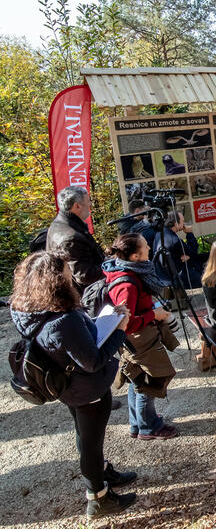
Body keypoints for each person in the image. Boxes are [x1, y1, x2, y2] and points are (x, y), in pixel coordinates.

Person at [10, 251, 137, 517]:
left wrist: (103, 319)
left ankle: (102, 474)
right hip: (85, 387)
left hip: (65, 383)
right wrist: (120, 328)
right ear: (55, 280)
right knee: (91, 442)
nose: (72, 276)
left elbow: (68, 340)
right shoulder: (63, 321)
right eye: (67, 273)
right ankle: (98, 497)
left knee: (84, 433)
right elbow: (93, 361)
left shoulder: (27, 308)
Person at [103, 234, 180, 441]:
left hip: (139, 338)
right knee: (147, 380)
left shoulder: (132, 272)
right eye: (146, 246)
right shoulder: (127, 284)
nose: (150, 248)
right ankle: (149, 427)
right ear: (136, 256)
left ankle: (138, 422)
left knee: (136, 378)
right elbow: (125, 323)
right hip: (139, 339)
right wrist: (153, 315)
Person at [46, 186, 106, 294]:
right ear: (77, 206)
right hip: (83, 297)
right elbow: (84, 276)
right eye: (88, 201)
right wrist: (111, 265)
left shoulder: (59, 224)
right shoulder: (71, 237)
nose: (90, 205)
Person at [153, 211, 205, 289]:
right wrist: (189, 233)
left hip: (162, 273)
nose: (184, 224)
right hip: (177, 277)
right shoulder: (174, 241)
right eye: (182, 221)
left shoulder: (160, 233)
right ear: (175, 223)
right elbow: (193, 251)